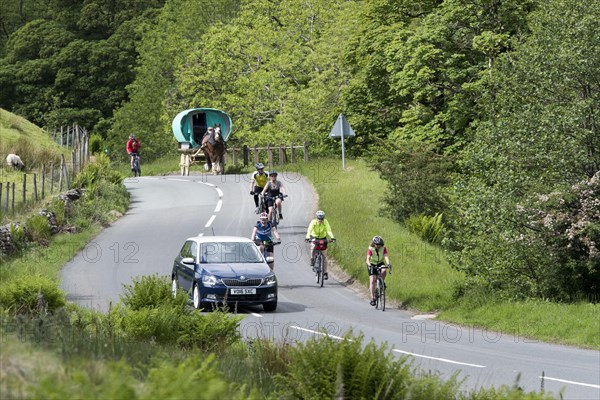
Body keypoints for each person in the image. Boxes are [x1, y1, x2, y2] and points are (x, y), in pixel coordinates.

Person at [305, 210, 336, 280]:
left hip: (322, 238)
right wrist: (307, 237)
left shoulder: (325, 222)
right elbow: (309, 230)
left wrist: (332, 237)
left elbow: (328, 230)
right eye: (319, 219)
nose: (320, 220)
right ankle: (312, 259)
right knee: (313, 247)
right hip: (314, 237)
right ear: (316, 218)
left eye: (322, 219)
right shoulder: (313, 222)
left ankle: (325, 272)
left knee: (324, 256)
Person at [366, 235, 391, 306]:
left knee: (384, 270)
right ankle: (372, 298)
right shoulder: (370, 249)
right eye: (376, 245)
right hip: (372, 264)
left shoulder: (383, 248)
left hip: (380, 262)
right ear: (374, 244)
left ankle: (381, 282)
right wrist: (369, 265)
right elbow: (368, 259)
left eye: (379, 245)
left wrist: (388, 263)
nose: (378, 246)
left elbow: (386, 256)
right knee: (372, 280)